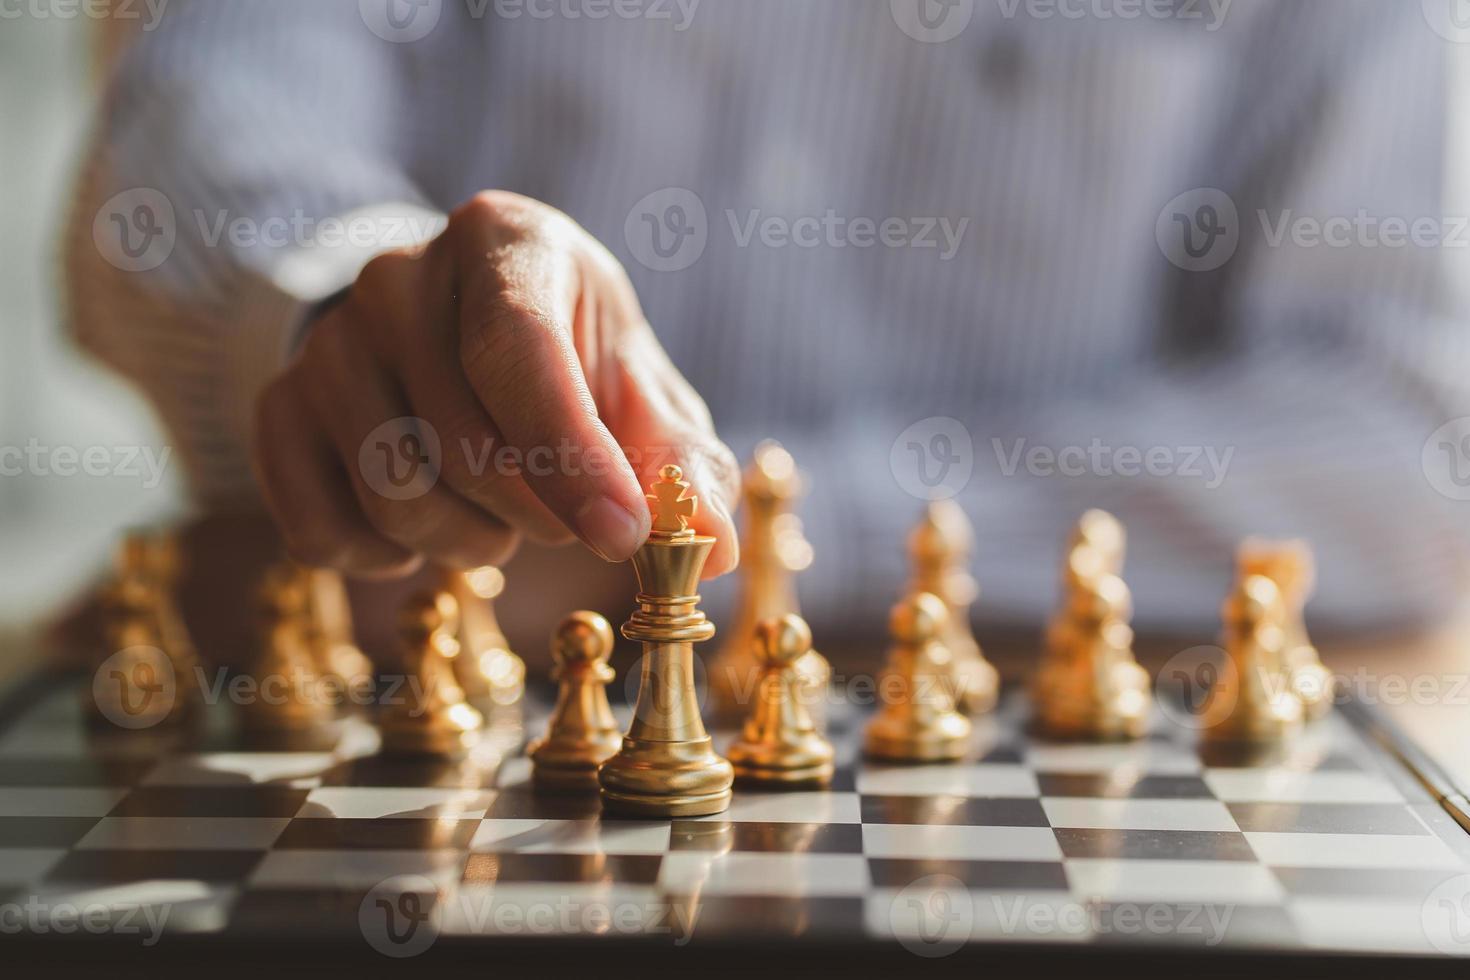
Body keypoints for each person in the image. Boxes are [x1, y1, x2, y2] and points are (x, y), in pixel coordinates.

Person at [67, 0, 1470, 637]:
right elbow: (198, 103)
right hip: (385, 660)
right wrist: (343, 286)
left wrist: (684, 548)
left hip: (1057, 740)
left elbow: (1404, 437)